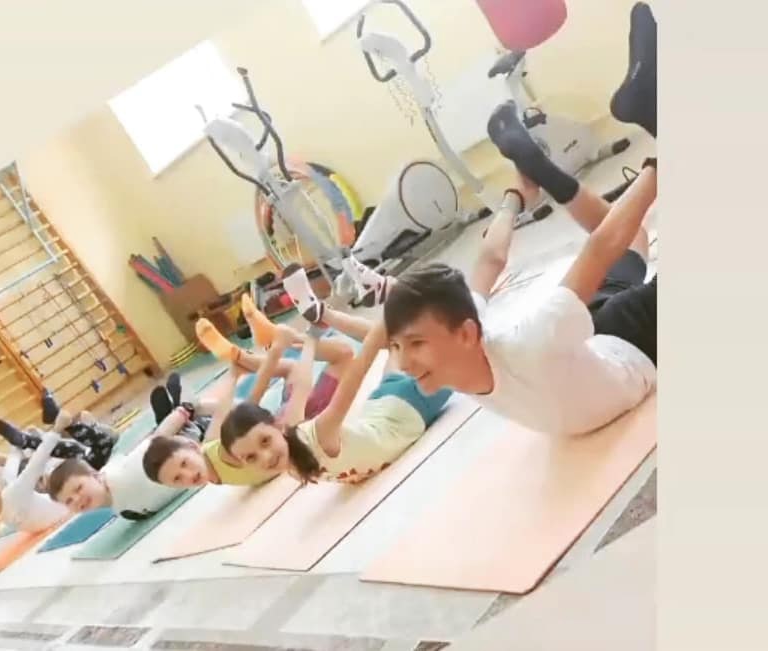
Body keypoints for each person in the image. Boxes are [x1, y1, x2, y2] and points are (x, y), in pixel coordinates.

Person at [381, 2, 658, 437]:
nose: (404, 363)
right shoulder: (465, 345)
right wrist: (516, 195)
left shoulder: (531, 342)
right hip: (591, 338)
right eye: (396, 346)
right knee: (636, 240)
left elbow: (602, 247)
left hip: (635, 341)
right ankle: (544, 170)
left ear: (466, 334)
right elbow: (490, 259)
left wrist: (661, 164)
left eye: (415, 343)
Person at [218, 264, 454, 484]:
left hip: (411, 404)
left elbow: (356, 374)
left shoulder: (319, 437)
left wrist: (390, 312)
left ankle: (389, 292)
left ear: (277, 427)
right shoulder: (292, 459)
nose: (266, 456)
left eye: (265, 441)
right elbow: (301, 387)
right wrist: (305, 341)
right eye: (251, 458)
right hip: (384, 407)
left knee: (434, 331)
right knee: (398, 340)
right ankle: (328, 311)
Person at [142, 321, 352, 488]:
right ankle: (260, 349)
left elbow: (249, 402)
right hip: (280, 423)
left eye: (184, 464)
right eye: (177, 479)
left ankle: (287, 340)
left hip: (294, 423)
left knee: (342, 354)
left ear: (192, 446)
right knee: (293, 369)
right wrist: (234, 375)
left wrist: (270, 356)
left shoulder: (223, 452)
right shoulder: (210, 450)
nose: (188, 475)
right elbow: (223, 411)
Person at [0, 428, 70, 532]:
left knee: (40, 467)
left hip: (66, 507)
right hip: (57, 512)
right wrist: (16, 444)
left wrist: (55, 432)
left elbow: (35, 462)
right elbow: (13, 462)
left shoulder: (11, 493)